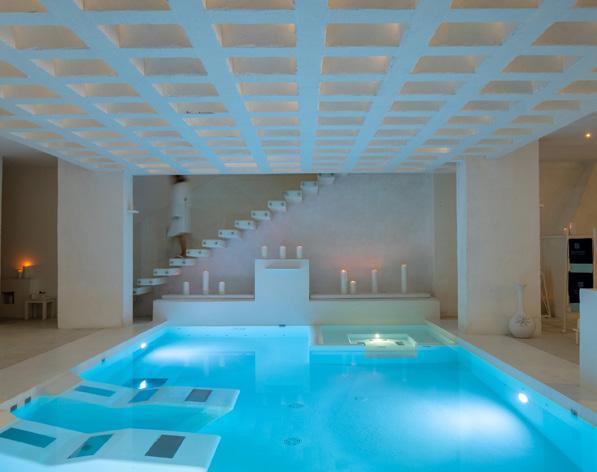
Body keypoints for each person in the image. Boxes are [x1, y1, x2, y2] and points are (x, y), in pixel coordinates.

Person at [167, 175, 191, 257]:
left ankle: (184, 252)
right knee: (178, 233)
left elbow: (179, 201)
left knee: (179, 233)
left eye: (172, 178)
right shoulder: (183, 186)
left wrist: (176, 214)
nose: (171, 180)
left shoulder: (179, 187)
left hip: (179, 214)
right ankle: (183, 252)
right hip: (181, 213)